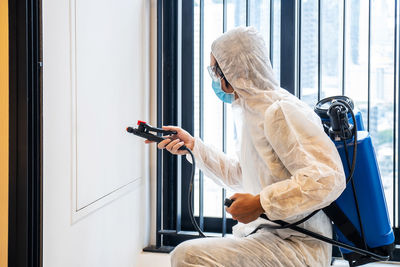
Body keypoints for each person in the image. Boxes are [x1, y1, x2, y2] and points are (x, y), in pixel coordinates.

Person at [146, 27, 346, 267]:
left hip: (299, 244)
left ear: (232, 72)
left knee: (188, 256)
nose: (215, 80)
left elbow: (327, 178)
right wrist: (193, 147)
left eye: (214, 70)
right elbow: (241, 174)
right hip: (271, 236)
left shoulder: (281, 110)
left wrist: (260, 203)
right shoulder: (253, 112)